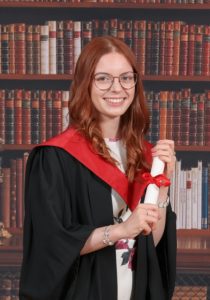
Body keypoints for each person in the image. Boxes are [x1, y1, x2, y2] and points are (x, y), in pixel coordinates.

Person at [19, 36, 177, 300]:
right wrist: (121, 230)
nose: (117, 88)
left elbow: (151, 243)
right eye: (103, 78)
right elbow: (51, 245)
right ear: (85, 84)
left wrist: (161, 187)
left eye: (126, 78)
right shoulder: (56, 157)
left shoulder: (145, 154)